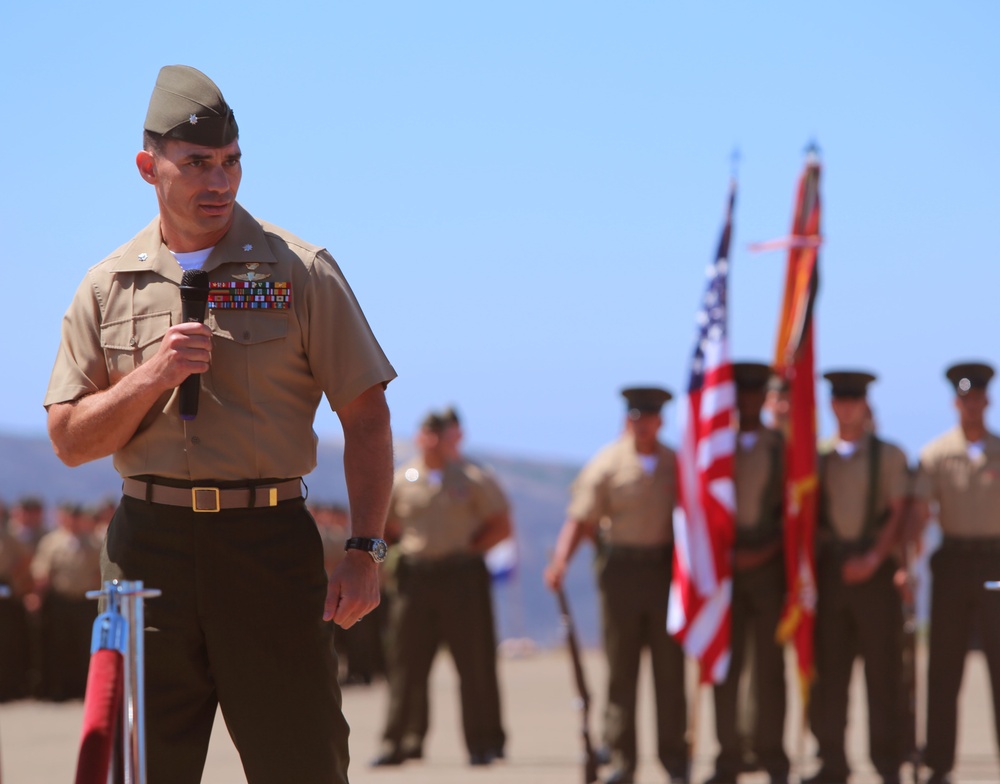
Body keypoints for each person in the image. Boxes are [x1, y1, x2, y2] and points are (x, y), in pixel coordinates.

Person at [44, 65, 395, 784]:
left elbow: (366, 417)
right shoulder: (107, 286)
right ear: (149, 167)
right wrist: (153, 376)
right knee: (140, 767)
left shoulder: (300, 271)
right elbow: (70, 440)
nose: (220, 180)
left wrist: (365, 551)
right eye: (197, 163)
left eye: (231, 162)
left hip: (266, 545)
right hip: (147, 554)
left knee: (303, 762)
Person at [545, 387, 688, 784]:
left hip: (664, 574)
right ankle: (623, 760)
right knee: (621, 669)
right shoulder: (606, 464)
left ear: (662, 421)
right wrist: (560, 562)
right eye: (637, 417)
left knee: (669, 669)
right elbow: (580, 518)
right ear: (628, 420)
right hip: (621, 573)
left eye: (652, 417)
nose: (644, 425)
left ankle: (675, 759)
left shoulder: (676, 462)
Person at [373, 410, 512, 767]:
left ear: (447, 437)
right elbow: (384, 525)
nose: (432, 441)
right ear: (419, 437)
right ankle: (400, 741)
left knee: (474, 663)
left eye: (439, 434)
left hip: (461, 577)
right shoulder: (404, 478)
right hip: (417, 578)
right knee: (406, 663)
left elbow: (500, 524)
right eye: (426, 434)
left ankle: (483, 742)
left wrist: (472, 549)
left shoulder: (471, 477)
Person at [806, 371, 908, 784]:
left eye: (855, 400)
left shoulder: (888, 455)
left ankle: (887, 763)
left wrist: (875, 559)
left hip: (875, 573)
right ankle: (831, 761)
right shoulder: (818, 456)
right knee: (828, 674)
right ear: (831, 405)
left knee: (884, 673)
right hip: (830, 574)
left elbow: (898, 513)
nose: (847, 407)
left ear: (865, 405)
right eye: (840, 400)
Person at [913, 361, 1000, 784]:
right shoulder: (935, 455)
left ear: (987, 400)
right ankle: (939, 762)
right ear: (955, 403)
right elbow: (917, 515)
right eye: (965, 399)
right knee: (944, 668)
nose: (972, 406)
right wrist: (905, 566)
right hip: (951, 564)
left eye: (978, 399)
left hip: (995, 568)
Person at [704, 362, 789, 784]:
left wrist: (765, 553)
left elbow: (795, 515)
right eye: (742, 394)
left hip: (769, 568)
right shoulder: (716, 448)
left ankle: (772, 756)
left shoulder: (782, 448)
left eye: (757, 394)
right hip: (724, 571)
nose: (749, 401)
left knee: (770, 670)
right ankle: (729, 757)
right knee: (725, 668)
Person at [30, 502, 103, 701]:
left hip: (85, 600)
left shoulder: (93, 542)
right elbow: (43, 572)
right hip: (61, 601)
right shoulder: (52, 542)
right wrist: (37, 596)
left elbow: (99, 572)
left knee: (85, 645)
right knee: (59, 645)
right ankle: (60, 688)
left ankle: (85, 689)